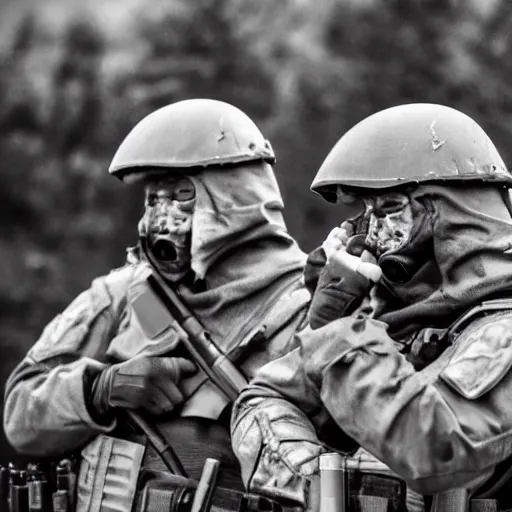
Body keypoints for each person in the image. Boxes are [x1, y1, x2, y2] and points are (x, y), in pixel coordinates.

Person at [3, 99, 310, 511]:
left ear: (236, 195)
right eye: (153, 197)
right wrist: (100, 389)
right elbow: (21, 414)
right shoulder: (123, 292)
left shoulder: (305, 301)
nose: (162, 216)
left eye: (182, 193)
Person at [231, 103, 512, 512]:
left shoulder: (502, 329)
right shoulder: (385, 325)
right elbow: (262, 397)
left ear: (452, 217)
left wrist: (337, 335)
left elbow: (433, 449)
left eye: (388, 210)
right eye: (365, 215)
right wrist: (318, 486)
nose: (372, 234)